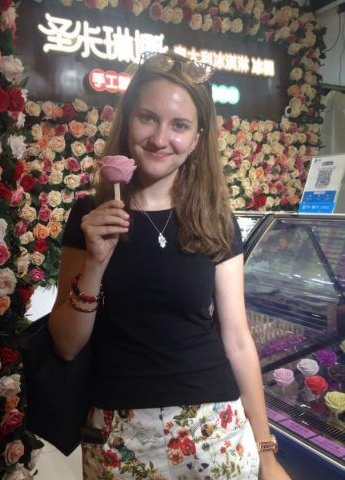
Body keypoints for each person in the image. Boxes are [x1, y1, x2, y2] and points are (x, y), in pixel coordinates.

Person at [49, 51, 291, 479]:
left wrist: (267, 452)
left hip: (216, 428)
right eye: (148, 117)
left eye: (179, 125)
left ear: (197, 138)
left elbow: (236, 338)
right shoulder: (89, 215)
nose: (161, 138)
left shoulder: (215, 218)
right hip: (119, 435)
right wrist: (95, 262)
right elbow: (67, 343)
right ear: (127, 123)